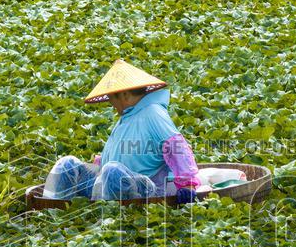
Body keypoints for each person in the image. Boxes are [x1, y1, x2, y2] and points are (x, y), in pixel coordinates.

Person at [43, 60, 199, 203]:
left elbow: (177, 146)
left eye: (112, 99)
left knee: (113, 172)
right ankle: (54, 210)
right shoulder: (126, 118)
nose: (112, 104)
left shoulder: (153, 113)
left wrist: (188, 184)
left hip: (147, 190)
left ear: (124, 94)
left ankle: (111, 216)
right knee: (67, 164)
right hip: (109, 182)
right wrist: (100, 161)